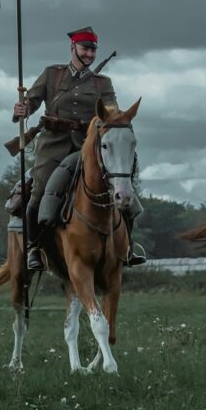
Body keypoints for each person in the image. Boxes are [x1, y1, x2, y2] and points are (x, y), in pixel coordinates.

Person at [14, 26, 146, 271]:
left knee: (125, 193)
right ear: (72, 47)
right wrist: (22, 109)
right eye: (85, 49)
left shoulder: (102, 83)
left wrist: (117, 119)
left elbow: (111, 110)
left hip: (86, 148)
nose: (89, 55)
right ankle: (34, 248)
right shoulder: (52, 74)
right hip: (53, 145)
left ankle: (126, 247)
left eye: (93, 51)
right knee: (39, 190)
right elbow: (31, 100)